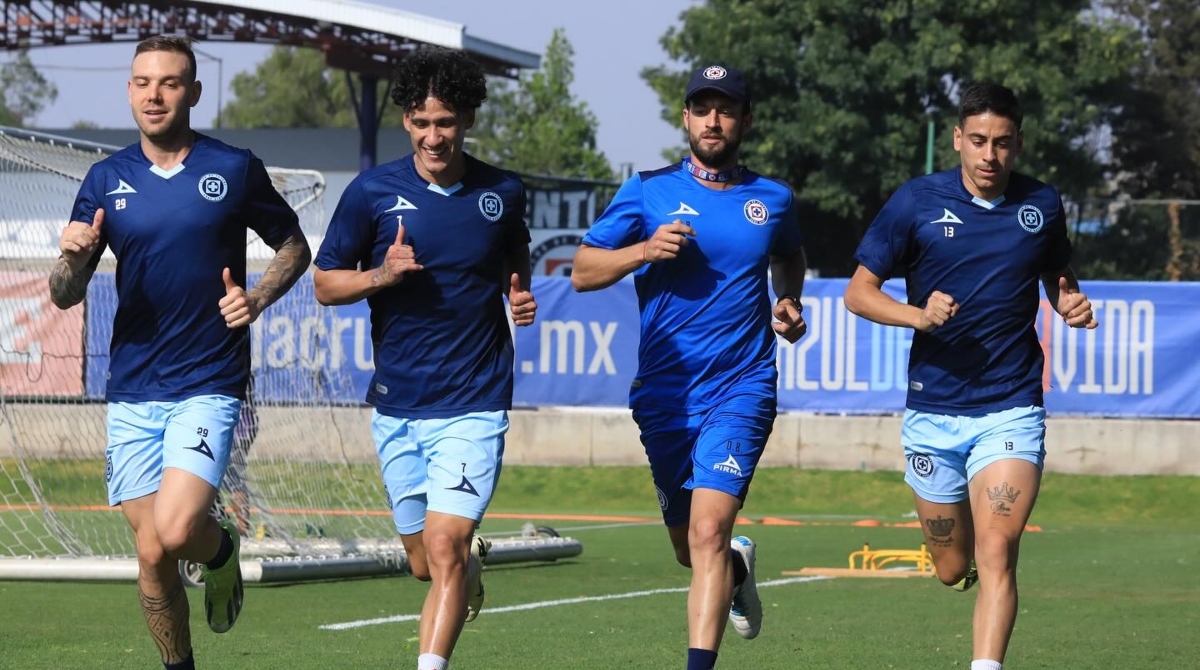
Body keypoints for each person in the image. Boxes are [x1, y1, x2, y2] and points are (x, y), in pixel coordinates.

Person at [49, 35, 311, 670]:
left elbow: (295, 247)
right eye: (142, 82)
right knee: (151, 553)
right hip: (134, 386)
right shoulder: (105, 180)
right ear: (130, 90)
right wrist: (73, 259)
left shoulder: (234, 167)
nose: (154, 94)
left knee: (171, 530)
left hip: (209, 381)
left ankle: (220, 553)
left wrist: (256, 298)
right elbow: (64, 294)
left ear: (193, 93)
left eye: (169, 82)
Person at [843, 82, 1098, 670]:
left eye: (1003, 144)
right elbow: (859, 293)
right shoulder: (915, 202)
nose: (989, 156)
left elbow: (1060, 278)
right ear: (957, 139)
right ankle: (960, 569)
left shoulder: (1042, 206)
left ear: (1019, 145)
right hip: (933, 413)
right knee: (953, 567)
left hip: (1010, 406)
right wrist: (917, 315)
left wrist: (1071, 305)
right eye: (978, 141)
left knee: (999, 546)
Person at [570, 64, 808, 670]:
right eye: (702, 107)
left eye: (725, 109)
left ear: (744, 121)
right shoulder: (647, 190)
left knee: (706, 532)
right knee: (692, 547)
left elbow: (789, 256)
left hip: (743, 385)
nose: (713, 119)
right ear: (685, 117)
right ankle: (736, 567)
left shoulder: (772, 198)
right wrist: (643, 250)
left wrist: (788, 301)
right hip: (666, 395)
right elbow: (582, 271)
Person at [313, 47, 536, 670]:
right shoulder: (372, 192)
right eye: (420, 121)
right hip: (398, 404)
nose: (433, 135)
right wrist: (382, 274)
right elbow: (326, 283)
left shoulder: (502, 191)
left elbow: (512, 252)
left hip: (475, 399)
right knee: (425, 562)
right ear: (405, 121)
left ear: (467, 117)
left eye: (446, 121)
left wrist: (517, 290)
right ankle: (467, 572)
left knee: (443, 544)